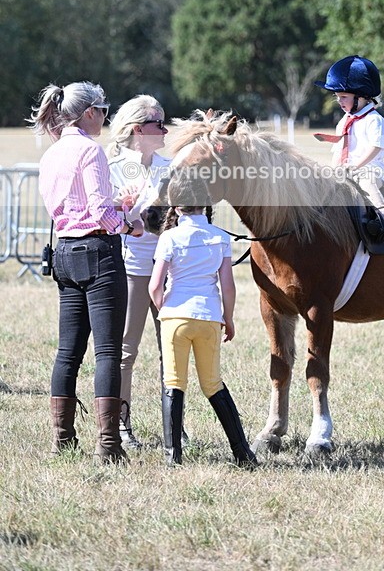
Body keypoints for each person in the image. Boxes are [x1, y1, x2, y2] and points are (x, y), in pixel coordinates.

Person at [29, 81, 144, 464]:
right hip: (99, 253)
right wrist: (129, 223)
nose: (106, 118)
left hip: (65, 252)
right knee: (108, 351)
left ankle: (63, 440)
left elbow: (73, 207)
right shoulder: (90, 150)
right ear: (89, 112)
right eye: (103, 110)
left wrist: (114, 207)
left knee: (67, 352)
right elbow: (99, 212)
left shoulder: (53, 153)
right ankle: (108, 445)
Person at [148, 176, 257, 468]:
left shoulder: (169, 238)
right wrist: (228, 317)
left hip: (175, 316)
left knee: (174, 381)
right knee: (213, 383)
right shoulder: (219, 237)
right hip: (209, 316)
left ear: (177, 208)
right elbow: (228, 285)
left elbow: (155, 286)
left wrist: (164, 308)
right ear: (205, 205)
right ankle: (242, 452)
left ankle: (173, 456)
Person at [107, 95, 171, 449]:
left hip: (168, 267)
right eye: (157, 123)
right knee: (126, 350)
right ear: (137, 129)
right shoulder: (114, 167)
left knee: (171, 349)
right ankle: (121, 426)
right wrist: (126, 212)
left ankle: (172, 425)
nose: (164, 129)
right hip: (130, 267)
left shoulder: (169, 165)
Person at [315, 55, 384, 243]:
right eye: (338, 98)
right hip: (348, 169)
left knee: (366, 182)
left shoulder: (375, 120)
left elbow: (376, 148)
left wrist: (356, 166)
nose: (340, 102)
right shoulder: (344, 121)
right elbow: (339, 149)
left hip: (371, 169)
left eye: (344, 97)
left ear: (361, 97)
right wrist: (334, 171)